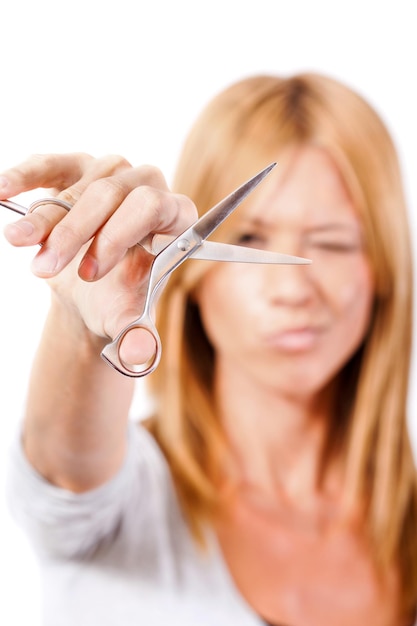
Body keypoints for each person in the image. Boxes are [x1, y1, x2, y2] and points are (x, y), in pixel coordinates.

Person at [1, 72, 416, 626]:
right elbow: (61, 476)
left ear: (384, 269)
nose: (292, 289)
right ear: (191, 276)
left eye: (333, 242)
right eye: (247, 239)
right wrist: (84, 324)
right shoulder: (118, 503)